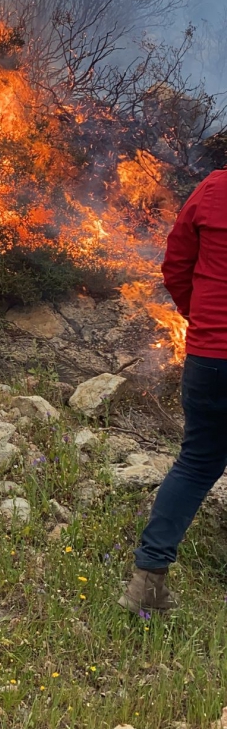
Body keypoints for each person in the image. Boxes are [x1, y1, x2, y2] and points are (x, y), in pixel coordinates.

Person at [119, 167, 227, 614]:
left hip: (210, 358)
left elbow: (176, 265)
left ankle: (147, 582)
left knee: (196, 465)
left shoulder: (214, 188)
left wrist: (197, 317)